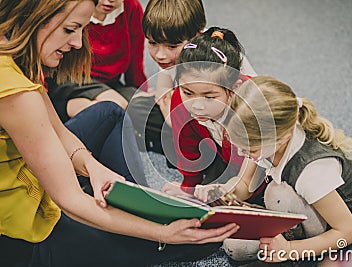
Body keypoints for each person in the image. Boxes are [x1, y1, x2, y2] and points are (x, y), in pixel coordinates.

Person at [0, 1, 239, 266]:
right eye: (71, 29)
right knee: (203, 238)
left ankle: (141, 204)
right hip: (29, 237)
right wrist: (162, 233)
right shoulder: (15, 93)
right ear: (37, 17)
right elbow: (69, 200)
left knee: (110, 112)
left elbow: (58, 131)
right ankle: (143, 219)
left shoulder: (15, 58)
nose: (78, 43)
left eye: (82, 29)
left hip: (38, 185)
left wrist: (91, 166)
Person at [196, 76, 352, 266]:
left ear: (282, 138)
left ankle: (308, 258)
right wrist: (221, 192)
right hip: (302, 213)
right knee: (235, 247)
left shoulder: (312, 171)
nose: (241, 152)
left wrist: (290, 250)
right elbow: (245, 186)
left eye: (249, 149)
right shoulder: (265, 138)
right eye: (239, 145)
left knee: (277, 194)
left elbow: (348, 232)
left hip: (341, 239)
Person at [129, 0, 257, 162]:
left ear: (198, 35)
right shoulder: (170, 60)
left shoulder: (222, 57)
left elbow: (250, 105)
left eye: (172, 46)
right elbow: (163, 92)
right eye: (153, 43)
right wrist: (172, 117)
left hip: (227, 123)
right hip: (194, 114)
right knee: (137, 107)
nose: (160, 55)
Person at [160, 27, 263, 199]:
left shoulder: (251, 107)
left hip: (269, 164)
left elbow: (253, 175)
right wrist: (189, 187)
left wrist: (229, 189)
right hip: (227, 156)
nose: (196, 105)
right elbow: (186, 145)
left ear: (234, 88)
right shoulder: (180, 99)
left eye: (209, 97)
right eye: (188, 93)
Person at [47, 0, 148, 123]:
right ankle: (61, 108)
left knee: (146, 108)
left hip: (110, 83)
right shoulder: (78, 7)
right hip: (73, 77)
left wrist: (140, 89)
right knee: (114, 106)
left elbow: (136, 56)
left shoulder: (131, 8)